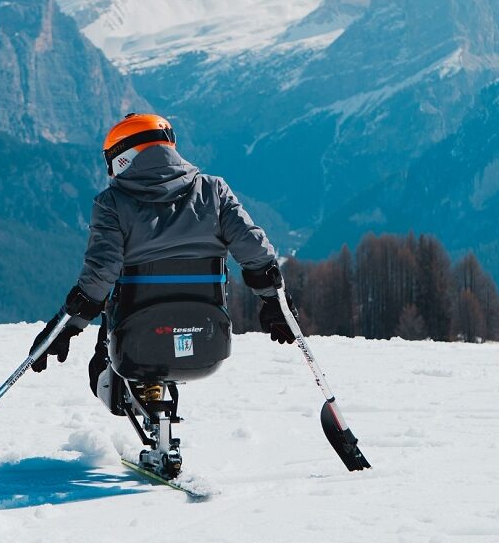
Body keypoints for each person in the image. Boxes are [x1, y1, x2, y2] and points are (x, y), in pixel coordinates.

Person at [30, 113, 298, 393]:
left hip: (135, 346)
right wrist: (275, 300)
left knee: (106, 356)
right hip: (209, 343)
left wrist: (66, 326)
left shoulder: (112, 204)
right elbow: (254, 248)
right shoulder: (214, 191)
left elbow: (101, 273)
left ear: (122, 156)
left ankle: (134, 396)